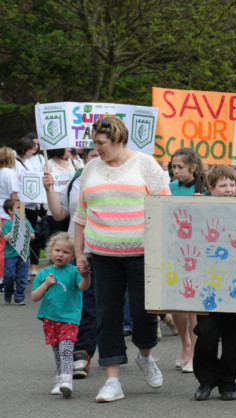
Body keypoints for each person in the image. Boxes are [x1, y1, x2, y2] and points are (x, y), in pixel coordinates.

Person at [73, 116, 170, 402]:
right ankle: (112, 380)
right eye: (94, 142)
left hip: (142, 255)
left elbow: (165, 207)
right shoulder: (90, 168)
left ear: (117, 140)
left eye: (101, 143)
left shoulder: (146, 164)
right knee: (107, 316)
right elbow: (81, 217)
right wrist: (80, 253)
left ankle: (145, 355)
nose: (96, 148)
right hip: (102, 256)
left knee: (144, 314)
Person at [191, 165, 236, 401]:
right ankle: (206, 380)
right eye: (223, 185)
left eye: (232, 184)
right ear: (210, 189)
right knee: (206, 335)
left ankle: (228, 383)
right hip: (208, 284)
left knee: (233, 338)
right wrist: (192, 205)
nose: (229, 189)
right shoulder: (201, 207)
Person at [43, 147, 99, 379]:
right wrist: (49, 190)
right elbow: (59, 215)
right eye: (92, 155)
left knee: (107, 305)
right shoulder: (76, 181)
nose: (97, 158)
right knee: (83, 303)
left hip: (108, 251)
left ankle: (115, 348)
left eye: (100, 153)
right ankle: (81, 353)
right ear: (85, 159)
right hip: (79, 251)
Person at [31, 232, 91, 398]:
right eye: (57, 250)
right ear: (50, 251)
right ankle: (60, 379)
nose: (60, 254)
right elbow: (34, 297)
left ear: (72, 255)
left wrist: (86, 275)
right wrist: (45, 284)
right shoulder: (45, 274)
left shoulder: (73, 271)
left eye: (65, 252)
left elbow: (83, 286)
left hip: (69, 318)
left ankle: (67, 379)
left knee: (66, 348)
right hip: (50, 318)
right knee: (57, 350)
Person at [168, 147, 207, 374]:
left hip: (195, 251)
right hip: (174, 249)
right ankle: (185, 344)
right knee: (176, 305)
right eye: (173, 167)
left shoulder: (203, 189)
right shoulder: (171, 187)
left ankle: (194, 353)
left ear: (192, 167)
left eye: (180, 167)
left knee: (193, 305)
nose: (176, 171)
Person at [14, 136, 44, 276]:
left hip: (32, 204)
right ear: (25, 149)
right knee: (21, 238)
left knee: (32, 237)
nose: (34, 152)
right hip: (22, 204)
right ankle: (20, 270)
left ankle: (29, 267)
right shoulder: (15, 164)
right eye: (31, 149)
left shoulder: (28, 163)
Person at [3, 198, 34, 305]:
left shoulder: (26, 221)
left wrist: (25, 229)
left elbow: (32, 236)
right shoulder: (7, 224)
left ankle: (19, 297)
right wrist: (15, 228)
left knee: (22, 277)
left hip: (24, 254)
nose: (21, 209)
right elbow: (6, 238)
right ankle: (8, 290)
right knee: (9, 276)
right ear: (10, 211)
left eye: (22, 207)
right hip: (11, 255)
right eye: (18, 207)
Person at [0, 147, 20, 283]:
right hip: (8, 215)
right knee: (7, 248)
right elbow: (14, 195)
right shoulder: (9, 173)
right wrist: (21, 214)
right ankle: (3, 278)